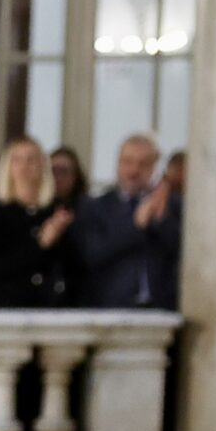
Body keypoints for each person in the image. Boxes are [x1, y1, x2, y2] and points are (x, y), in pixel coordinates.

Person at [72, 133, 182, 311]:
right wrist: (136, 225)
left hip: (162, 310)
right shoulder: (94, 207)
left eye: (143, 164)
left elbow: (181, 252)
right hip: (111, 310)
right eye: (127, 162)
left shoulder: (174, 205)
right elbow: (92, 254)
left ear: (155, 167)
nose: (134, 171)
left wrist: (161, 217)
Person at [0, 136, 76, 308]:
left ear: (42, 165)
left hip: (51, 306)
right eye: (17, 160)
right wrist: (41, 243)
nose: (24, 166)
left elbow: (71, 266)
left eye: (31, 159)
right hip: (9, 306)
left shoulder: (57, 211)